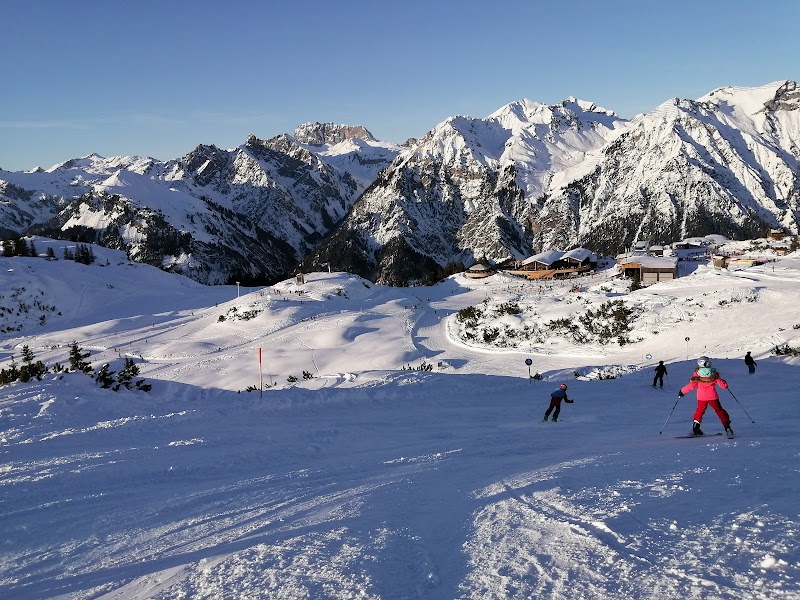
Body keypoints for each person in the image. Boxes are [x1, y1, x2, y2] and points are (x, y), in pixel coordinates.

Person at [678, 356, 732, 436]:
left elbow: (691, 386)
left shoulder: (697, 374)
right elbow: (723, 385)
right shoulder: (713, 373)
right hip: (712, 397)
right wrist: (725, 384)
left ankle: (695, 428)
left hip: (701, 397)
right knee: (719, 410)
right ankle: (727, 427)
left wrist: (682, 391)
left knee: (699, 411)